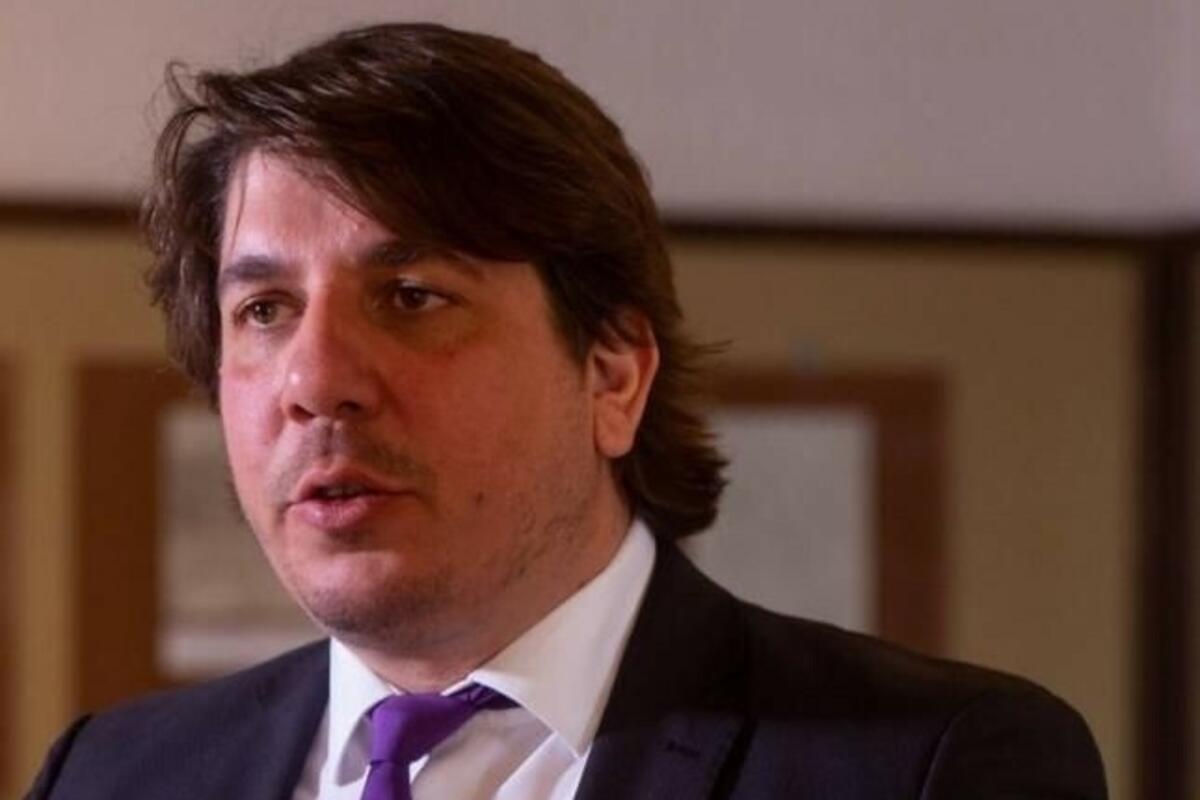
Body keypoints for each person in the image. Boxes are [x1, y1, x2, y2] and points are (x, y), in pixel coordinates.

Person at [28, 22, 1106, 799]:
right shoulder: (111, 776)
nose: (315, 380)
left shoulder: (931, 764)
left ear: (613, 375)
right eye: (264, 310)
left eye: (412, 297)